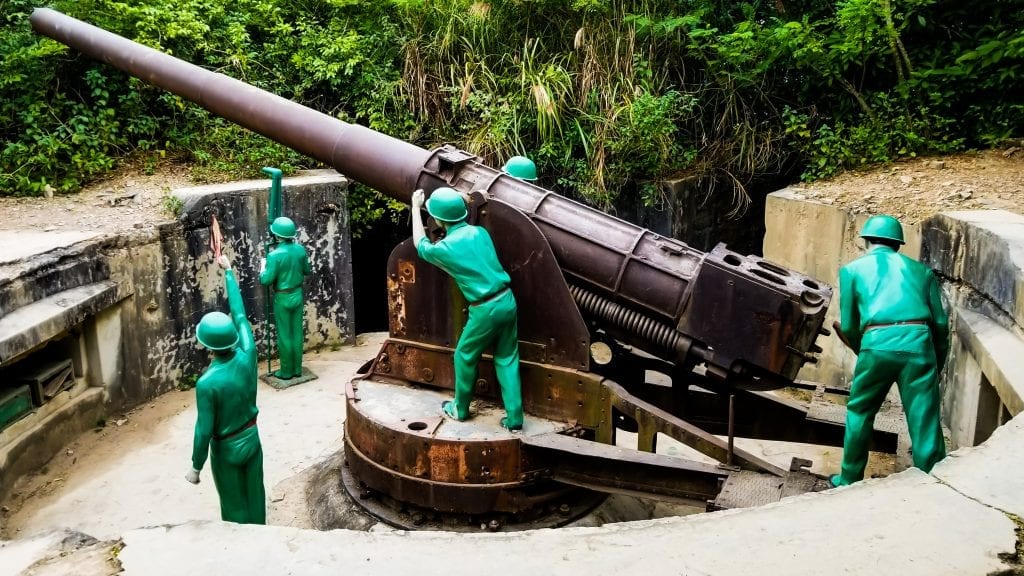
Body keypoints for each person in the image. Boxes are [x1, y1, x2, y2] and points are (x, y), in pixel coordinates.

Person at [831, 215, 949, 487]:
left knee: (860, 411)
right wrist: (936, 364)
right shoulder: (922, 272)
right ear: (898, 244)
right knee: (924, 416)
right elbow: (941, 324)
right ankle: (932, 481)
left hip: (876, 343)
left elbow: (848, 325)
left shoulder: (851, 270)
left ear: (866, 241)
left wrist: (865, 353)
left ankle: (848, 479)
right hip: (919, 343)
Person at [411, 187, 524, 431]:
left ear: (438, 219)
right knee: (507, 358)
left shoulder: (445, 249)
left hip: (485, 309)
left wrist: (414, 207)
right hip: (507, 300)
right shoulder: (480, 232)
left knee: (464, 355)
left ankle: (460, 408)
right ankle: (515, 419)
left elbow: (420, 245)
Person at [185, 254, 266, 524]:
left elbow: (204, 429)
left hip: (227, 447)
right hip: (252, 437)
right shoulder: (248, 353)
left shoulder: (207, 383)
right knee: (256, 495)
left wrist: (196, 466)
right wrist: (229, 271)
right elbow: (241, 314)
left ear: (206, 345)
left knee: (233, 504)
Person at [259, 216, 311, 380]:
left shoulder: (274, 256)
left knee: (284, 335)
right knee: (297, 333)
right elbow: (307, 270)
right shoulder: (300, 250)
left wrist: (262, 268)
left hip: (282, 297)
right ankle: (297, 369)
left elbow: (266, 280)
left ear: (276, 235)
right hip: (297, 294)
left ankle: (286, 372)